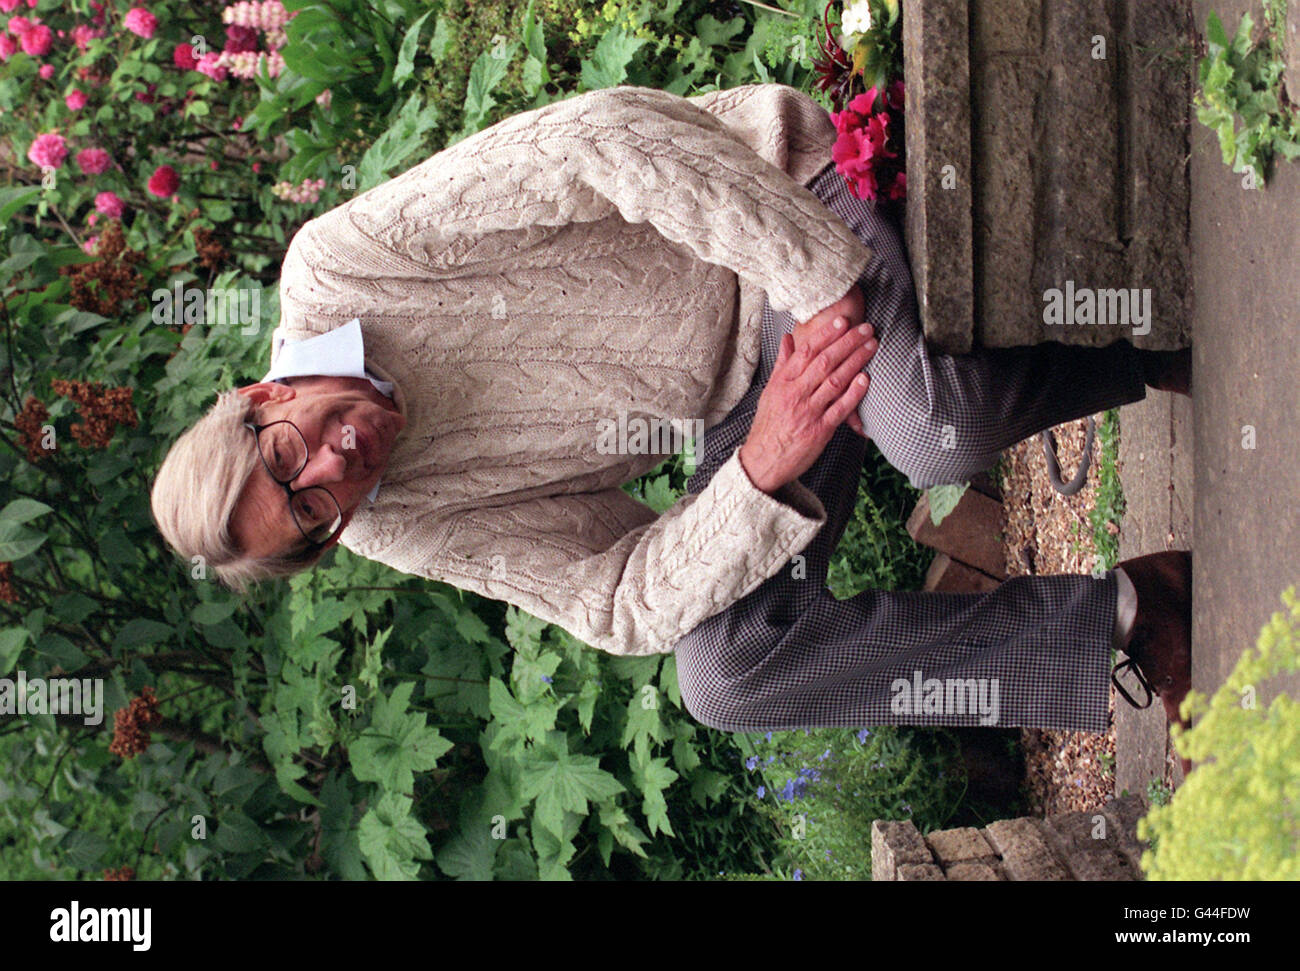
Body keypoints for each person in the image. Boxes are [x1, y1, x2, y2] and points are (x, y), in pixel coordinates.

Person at [150, 83, 1192, 755]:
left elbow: (599, 141)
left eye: (292, 456)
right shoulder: (384, 515)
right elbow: (611, 600)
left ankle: (1148, 332)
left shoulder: (341, 266)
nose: (336, 466)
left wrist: (815, 282)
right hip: (748, 406)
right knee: (724, 674)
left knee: (928, 433)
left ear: (260, 397)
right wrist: (757, 475)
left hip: (781, 211)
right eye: (313, 514)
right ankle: (1135, 613)